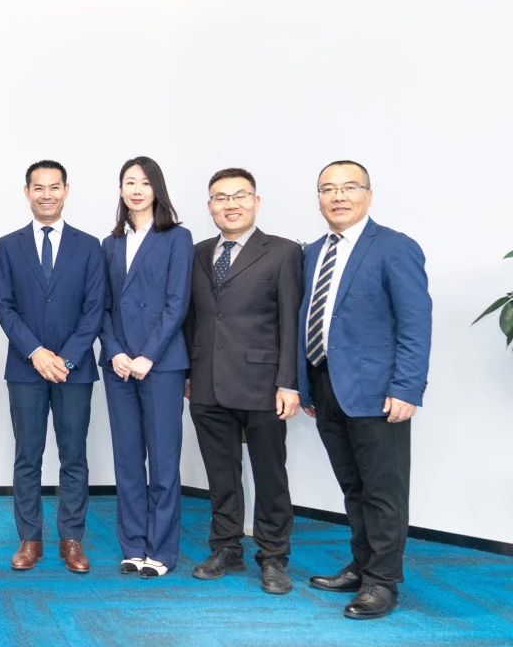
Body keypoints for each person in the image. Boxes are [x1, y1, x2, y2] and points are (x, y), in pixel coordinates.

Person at [299, 160, 431, 619]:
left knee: (383, 491)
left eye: (349, 187)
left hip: (378, 393)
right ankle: (362, 565)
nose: (338, 196)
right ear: (318, 199)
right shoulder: (312, 252)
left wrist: (407, 387)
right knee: (353, 486)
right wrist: (306, 385)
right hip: (326, 387)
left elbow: (415, 324)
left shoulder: (395, 247)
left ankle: (383, 582)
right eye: (327, 189)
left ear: (368, 195)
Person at [183, 168, 302, 594]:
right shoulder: (196, 253)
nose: (230, 204)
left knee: (270, 475)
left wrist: (289, 382)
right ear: (210, 205)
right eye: (221, 197)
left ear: (256, 201)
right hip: (206, 383)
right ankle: (225, 548)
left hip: (262, 384)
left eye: (239, 195)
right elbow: (191, 318)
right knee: (221, 475)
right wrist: (188, 373)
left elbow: (291, 321)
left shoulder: (284, 252)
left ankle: (273, 556)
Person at [0, 160, 105, 573]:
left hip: (75, 370)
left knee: (74, 456)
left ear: (66, 191)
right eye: (38, 188)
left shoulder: (89, 245)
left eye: (54, 187)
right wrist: (36, 352)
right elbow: (4, 306)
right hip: (26, 368)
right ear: (26, 192)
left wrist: (67, 357)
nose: (46, 195)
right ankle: (30, 539)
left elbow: (94, 308)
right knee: (28, 456)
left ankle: (71, 539)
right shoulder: (8, 245)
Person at [98, 155, 193, 578]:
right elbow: (101, 306)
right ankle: (133, 545)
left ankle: (162, 550)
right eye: (129, 182)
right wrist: (116, 352)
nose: (136, 190)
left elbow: (177, 303)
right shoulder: (110, 243)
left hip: (161, 364)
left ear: (157, 189)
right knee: (128, 459)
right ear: (120, 190)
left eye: (144, 182)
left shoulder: (177, 237)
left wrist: (147, 355)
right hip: (119, 366)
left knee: (164, 460)